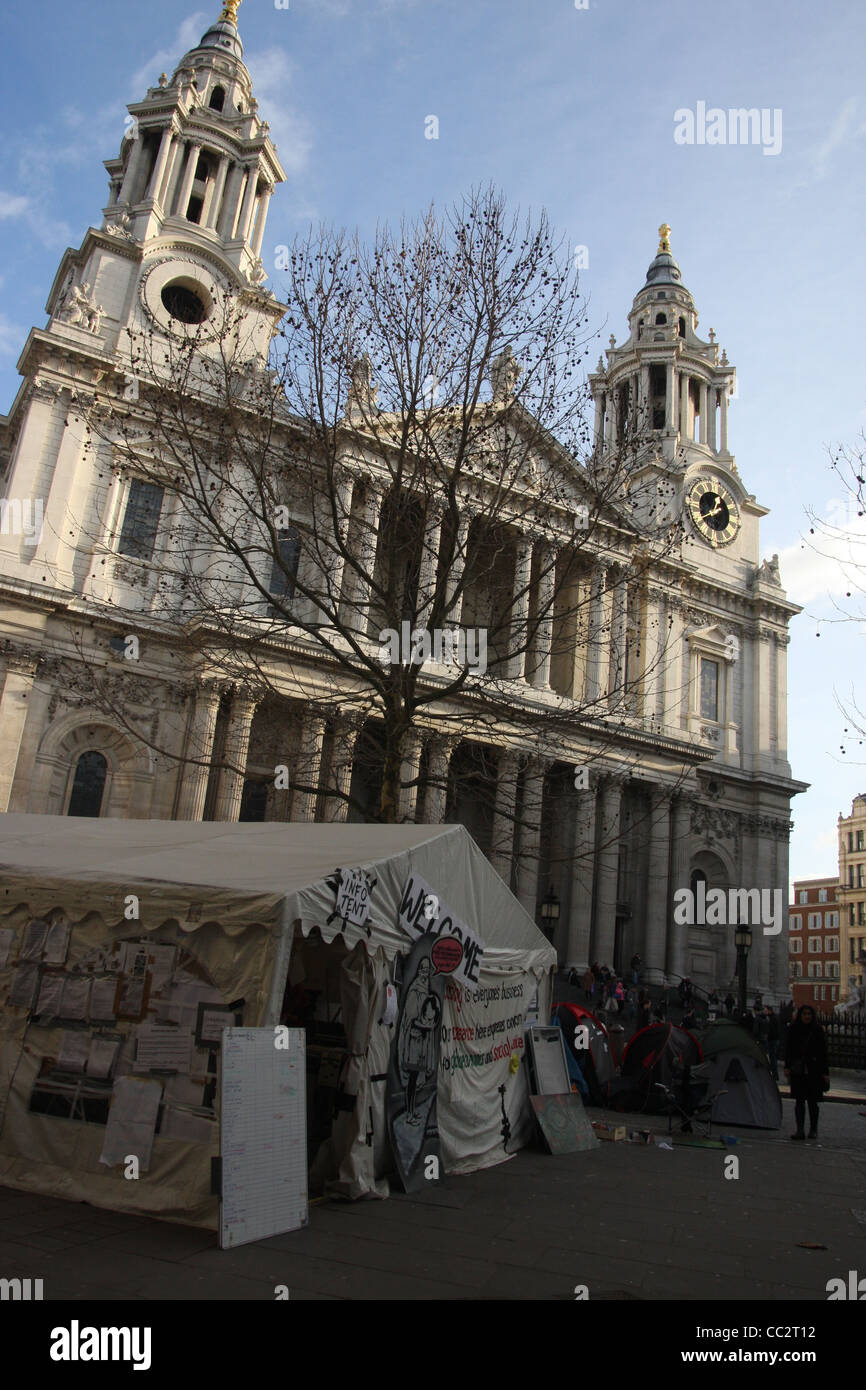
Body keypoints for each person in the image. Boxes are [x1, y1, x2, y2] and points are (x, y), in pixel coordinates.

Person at [784, 1005, 829, 1140]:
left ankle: (813, 1130)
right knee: (799, 1101)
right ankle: (800, 1130)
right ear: (800, 1015)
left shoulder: (817, 1030)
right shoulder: (794, 1029)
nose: (807, 1016)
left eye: (809, 1014)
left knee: (813, 1102)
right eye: (804, 1014)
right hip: (798, 1068)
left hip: (814, 1068)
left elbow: (823, 1053)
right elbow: (789, 1050)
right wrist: (787, 1066)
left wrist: (825, 1072)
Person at [765, 1005, 780, 1080]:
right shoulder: (774, 1017)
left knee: (773, 1058)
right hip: (775, 1039)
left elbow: (772, 1030)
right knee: (773, 1057)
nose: (765, 1012)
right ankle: (774, 1074)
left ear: (769, 1010)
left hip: (773, 1040)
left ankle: (775, 1075)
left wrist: (768, 1036)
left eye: (766, 1010)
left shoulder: (772, 1018)